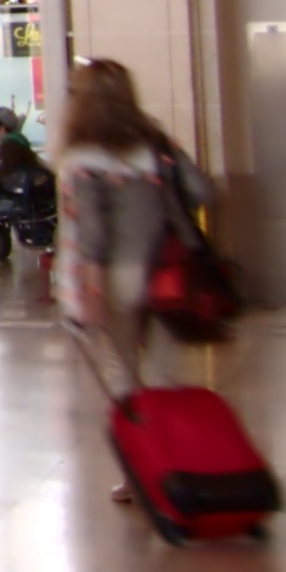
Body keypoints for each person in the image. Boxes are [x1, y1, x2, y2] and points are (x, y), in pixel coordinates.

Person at [54, 58, 180, 407]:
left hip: (115, 274)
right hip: (165, 267)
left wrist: (91, 286)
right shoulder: (155, 146)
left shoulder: (82, 158)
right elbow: (201, 191)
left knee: (121, 367)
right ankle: (170, 429)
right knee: (162, 370)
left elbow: (92, 227)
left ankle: (138, 431)